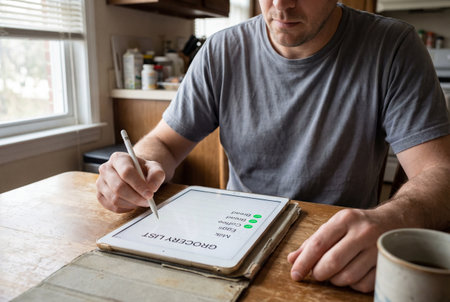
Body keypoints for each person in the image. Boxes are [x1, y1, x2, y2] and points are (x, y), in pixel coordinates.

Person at [96, 0, 450, 293]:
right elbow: (163, 143)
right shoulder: (221, 50)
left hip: (340, 256)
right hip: (233, 246)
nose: (280, 5)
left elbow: (440, 172)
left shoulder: (392, 46)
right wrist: (138, 165)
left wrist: (394, 217)